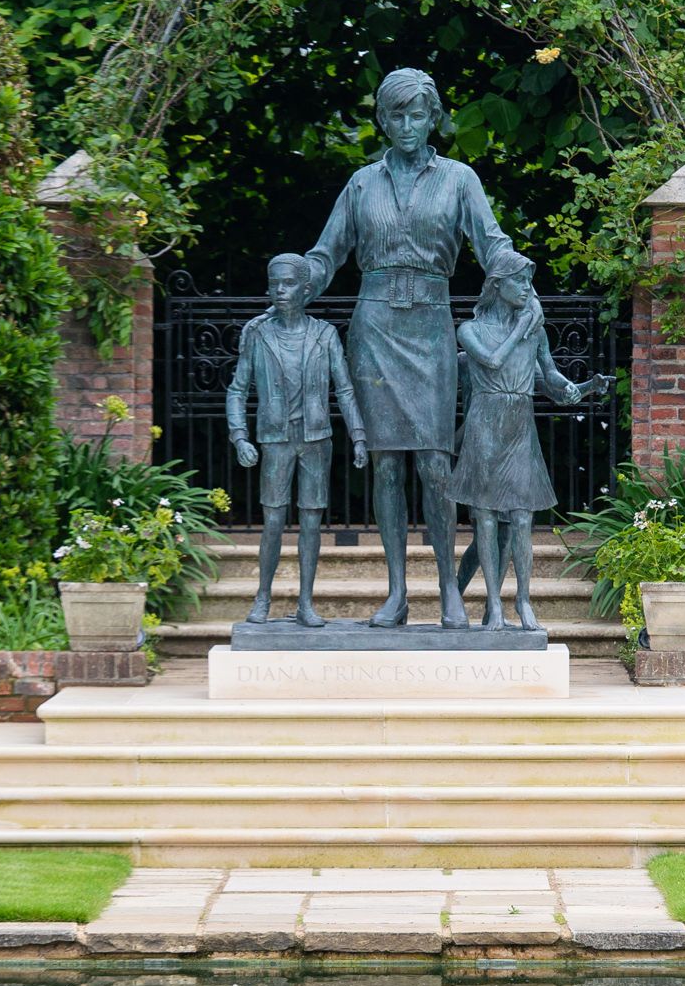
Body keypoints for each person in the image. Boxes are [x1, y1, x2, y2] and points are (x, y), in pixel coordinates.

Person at [302, 67, 518, 629]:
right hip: (373, 327)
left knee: (434, 463)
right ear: (382, 119)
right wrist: (300, 277)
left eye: (417, 114)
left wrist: (516, 279)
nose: (406, 125)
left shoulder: (459, 179)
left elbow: (491, 242)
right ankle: (397, 593)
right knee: (386, 466)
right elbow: (327, 253)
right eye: (395, 114)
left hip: (430, 325)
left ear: (433, 117)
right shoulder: (361, 183)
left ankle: (448, 587)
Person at [451, 251, 601, 631]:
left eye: (529, 281)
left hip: (519, 425)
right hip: (484, 425)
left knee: (522, 519)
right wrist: (522, 328)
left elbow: (551, 380)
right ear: (497, 285)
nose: (527, 289)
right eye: (519, 280)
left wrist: (583, 388)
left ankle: (523, 600)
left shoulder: (534, 332)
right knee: (484, 519)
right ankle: (493, 605)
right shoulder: (470, 331)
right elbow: (492, 361)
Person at [226, 253, 367, 627]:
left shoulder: (325, 334)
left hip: (316, 439)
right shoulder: (258, 334)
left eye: (288, 284)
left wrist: (358, 436)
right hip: (275, 439)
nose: (279, 291)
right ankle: (263, 597)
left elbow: (346, 389)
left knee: (310, 522)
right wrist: (240, 436)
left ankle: (306, 602)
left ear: (306, 290)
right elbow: (237, 390)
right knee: (272, 521)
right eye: (274, 284)